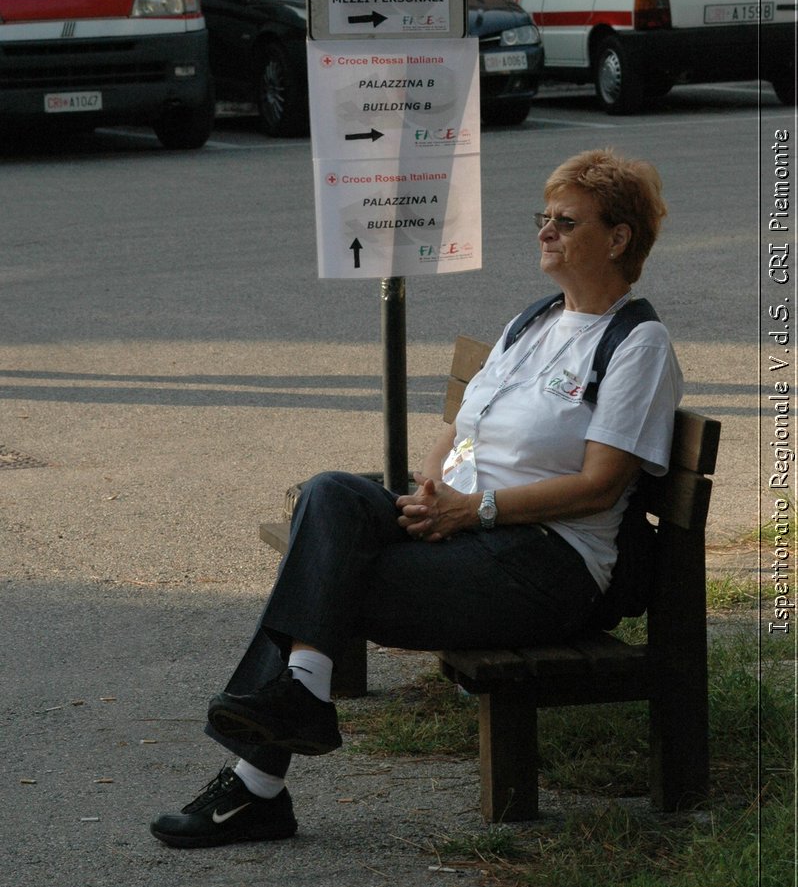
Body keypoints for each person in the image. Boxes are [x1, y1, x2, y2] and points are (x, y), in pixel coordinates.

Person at [150, 147, 683, 849]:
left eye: (567, 221)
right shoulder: (534, 322)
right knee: (332, 496)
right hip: (465, 527)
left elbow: (601, 486)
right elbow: (458, 432)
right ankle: (301, 696)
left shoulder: (638, 344)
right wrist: (433, 488)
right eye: (544, 218)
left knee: (332, 577)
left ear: (617, 239)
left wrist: (475, 510)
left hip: (549, 564)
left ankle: (259, 782)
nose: (545, 231)